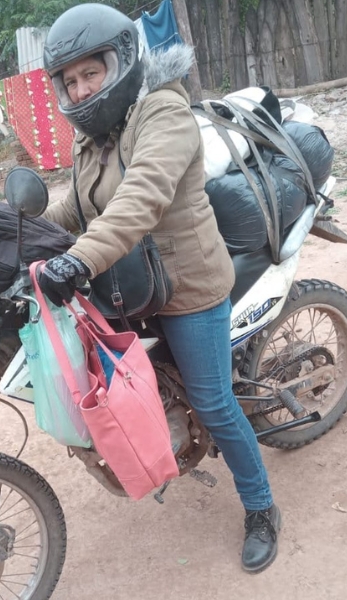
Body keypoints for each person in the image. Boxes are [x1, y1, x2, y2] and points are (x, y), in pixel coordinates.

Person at [35, 3, 281, 573]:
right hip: (132, 286)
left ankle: (262, 507)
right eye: (68, 81)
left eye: (89, 73)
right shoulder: (92, 137)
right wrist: (20, 235)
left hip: (188, 288)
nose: (80, 88)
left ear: (119, 62)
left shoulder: (163, 113)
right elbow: (77, 204)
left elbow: (140, 197)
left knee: (214, 403)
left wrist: (79, 260)